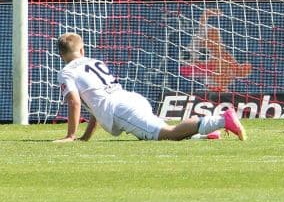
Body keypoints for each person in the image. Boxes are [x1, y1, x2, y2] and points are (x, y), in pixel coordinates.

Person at [55, 32, 246, 142]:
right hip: (129, 99)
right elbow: (96, 102)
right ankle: (202, 133)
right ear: (82, 49)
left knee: (166, 135)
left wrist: (71, 135)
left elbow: (75, 102)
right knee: (151, 135)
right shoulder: (95, 61)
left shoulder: (66, 72)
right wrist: (85, 137)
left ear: (61, 54)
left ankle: (221, 120)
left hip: (120, 110)